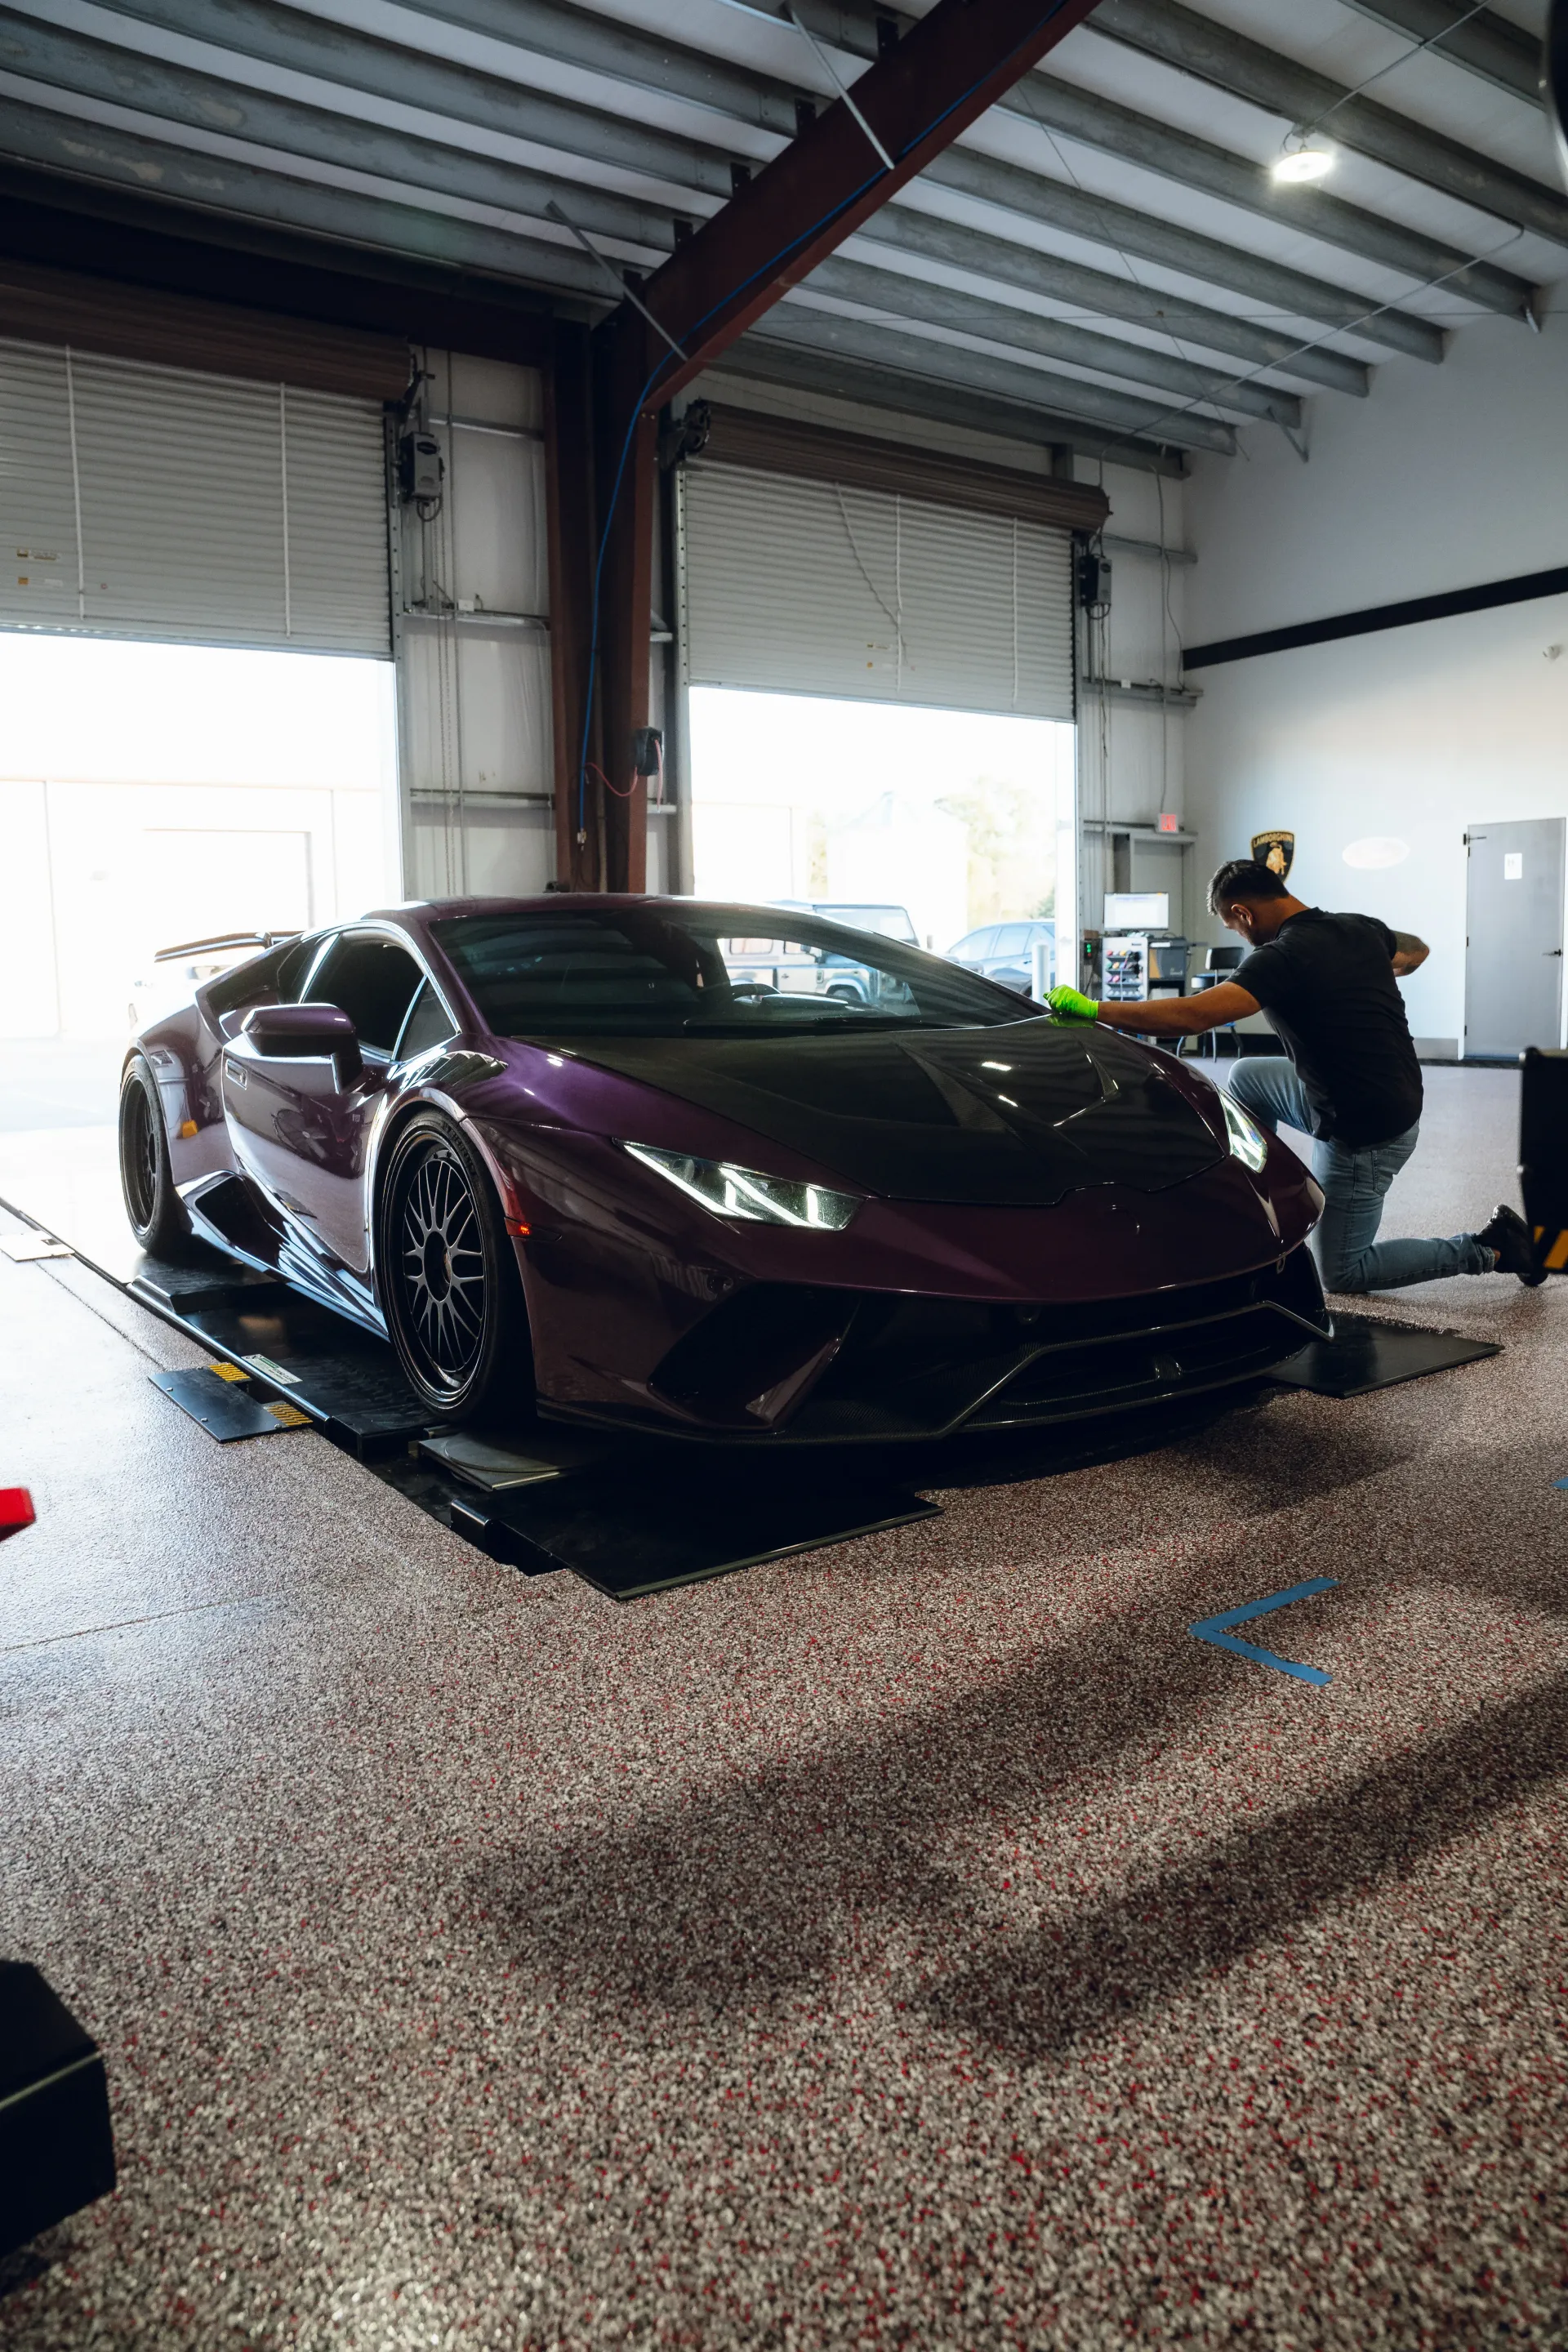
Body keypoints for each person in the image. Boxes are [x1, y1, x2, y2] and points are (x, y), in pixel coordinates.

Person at [1049, 858, 1543, 1292]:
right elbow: (1415, 952)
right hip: (1383, 1092)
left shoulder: (1281, 958)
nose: (1239, 935)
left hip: (1366, 1129)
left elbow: (1194, 1016)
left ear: (1242, 912)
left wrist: (1095, 1009)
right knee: (1247, 1075)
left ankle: (1492, 1248)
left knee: (1346, 1272)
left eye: (1233, 925)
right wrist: (1374, 969)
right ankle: (1255, 1198)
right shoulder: (1360, 929)